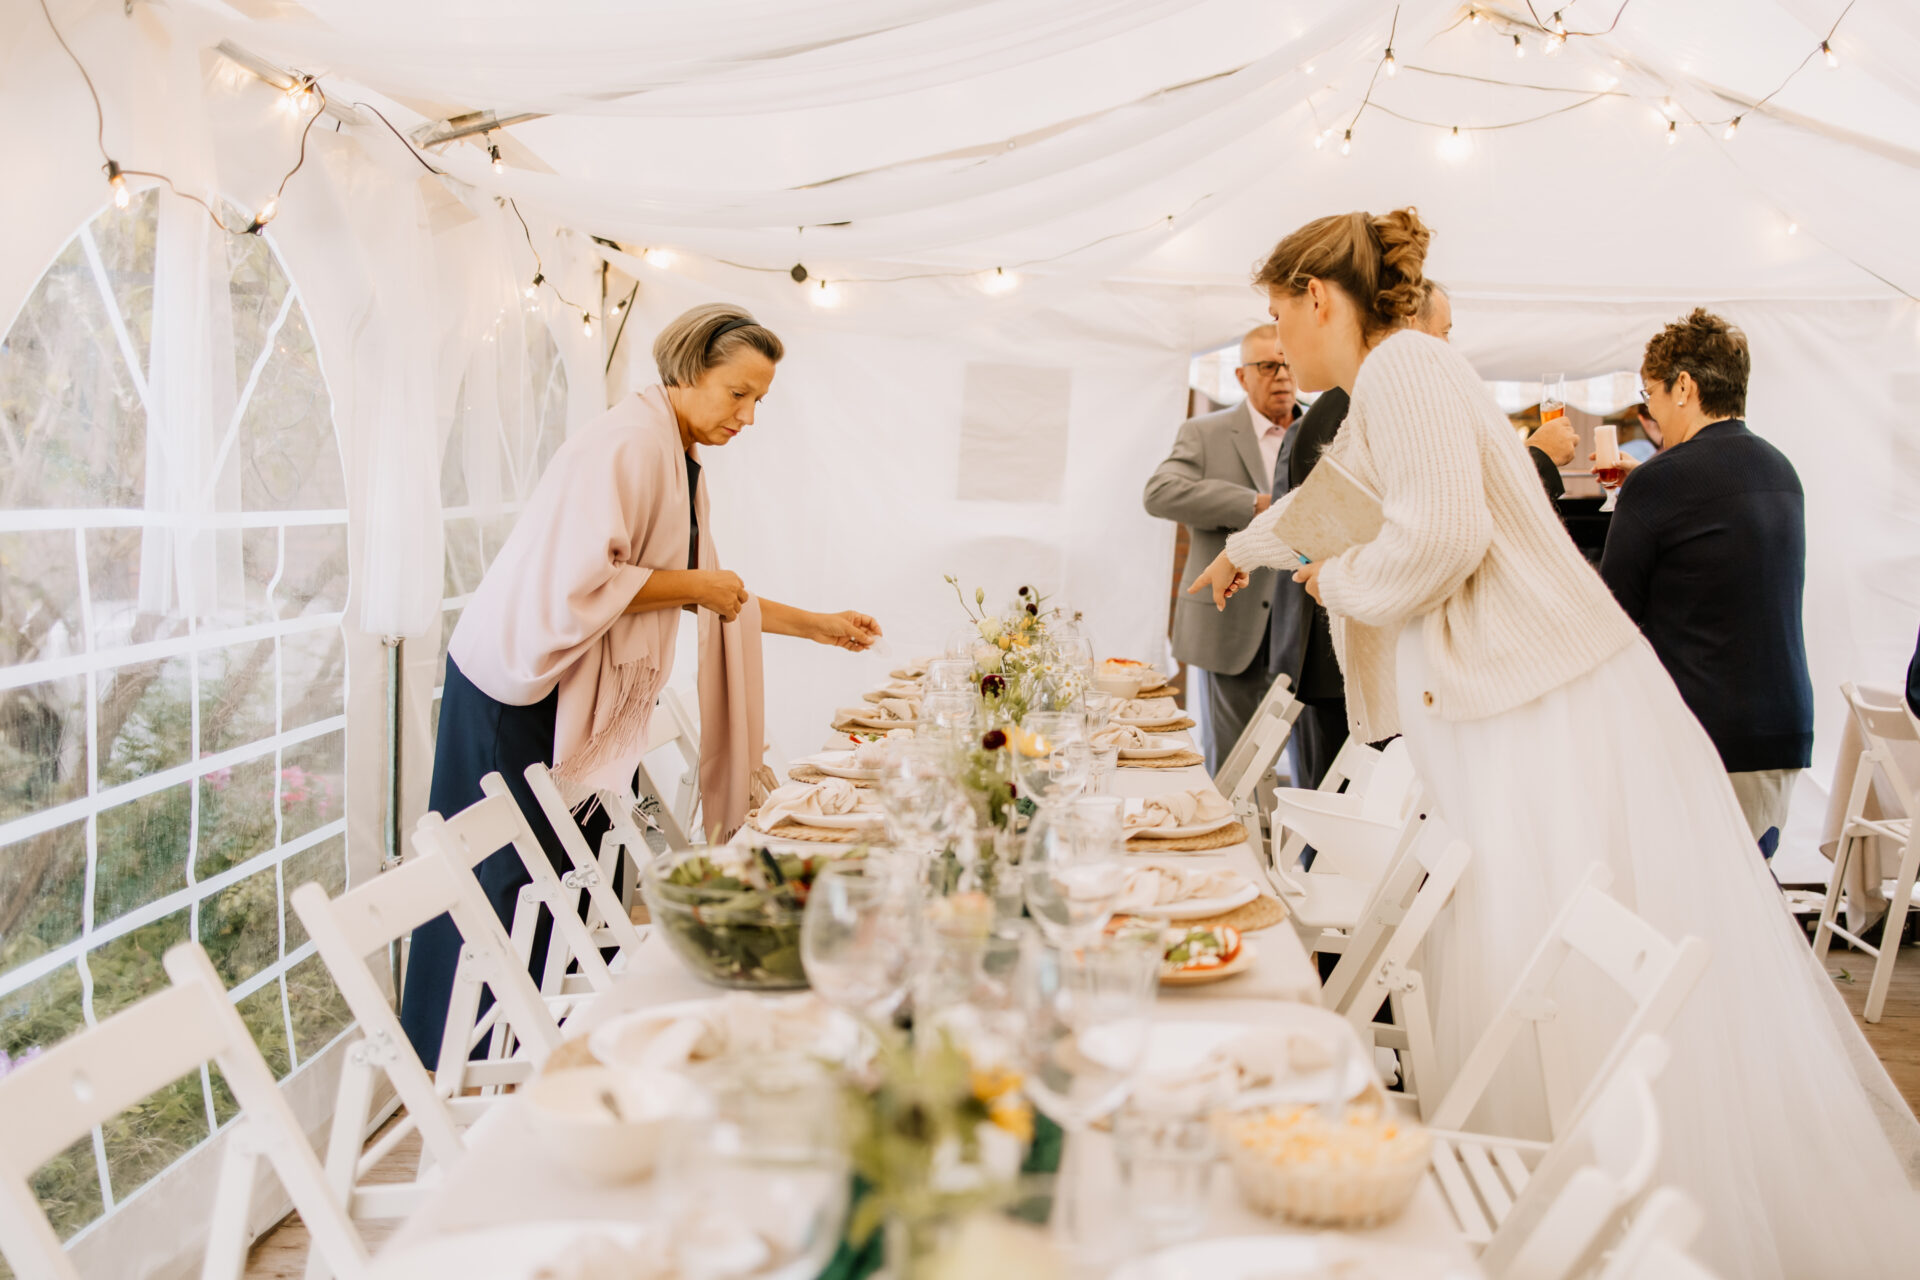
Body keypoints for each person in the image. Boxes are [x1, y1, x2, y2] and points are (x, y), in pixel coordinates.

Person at [1189, 207, 1920, 1278]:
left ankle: (1589, 1225)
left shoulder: (1407, 374)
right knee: (1529, 957)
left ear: (1317, 296)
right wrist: (1250, 549)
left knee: (1541, 957)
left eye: (1276, 316)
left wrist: (1329, 577)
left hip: (1542, 705)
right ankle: (1566, 1216)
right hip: (1524, 699)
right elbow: (1339, 500)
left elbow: (1438, 536)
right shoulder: (1395, 383)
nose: (1278, 344)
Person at [399, 304, 883, 1060]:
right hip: (516, 686)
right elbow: (580, 583)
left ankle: (539, 1051)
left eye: (760, 400)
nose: (749, 416)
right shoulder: (627, 444)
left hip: (570, 685)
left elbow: (709, 590)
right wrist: (700, 583)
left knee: (557, 878)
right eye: (738, 393)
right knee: (496, 878)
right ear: (690, 372)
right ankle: (451, 1059)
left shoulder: (675, 453)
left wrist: (818, 625)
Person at [1600, 310, 1813, 856]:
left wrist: (1641, 497)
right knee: (1747, 899)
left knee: (1688, 915)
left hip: (1704, 733)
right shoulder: (1783, 471)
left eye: (1650, 393)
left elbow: (1609, 614)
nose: (1650, 411)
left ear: (1685, 387)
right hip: (1781, 730)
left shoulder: (1659, 483)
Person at [1144, 324, 1301, 772]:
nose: (1282, 376)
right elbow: (1159, 492)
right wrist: (1254, 505)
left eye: (1288, 363)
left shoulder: (1322, 429)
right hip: (1231, 622)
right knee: (1234, 769)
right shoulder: (1204, 431)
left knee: (1310, 773)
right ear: (1241, 376)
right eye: (1268, 366)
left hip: (1305, 628)